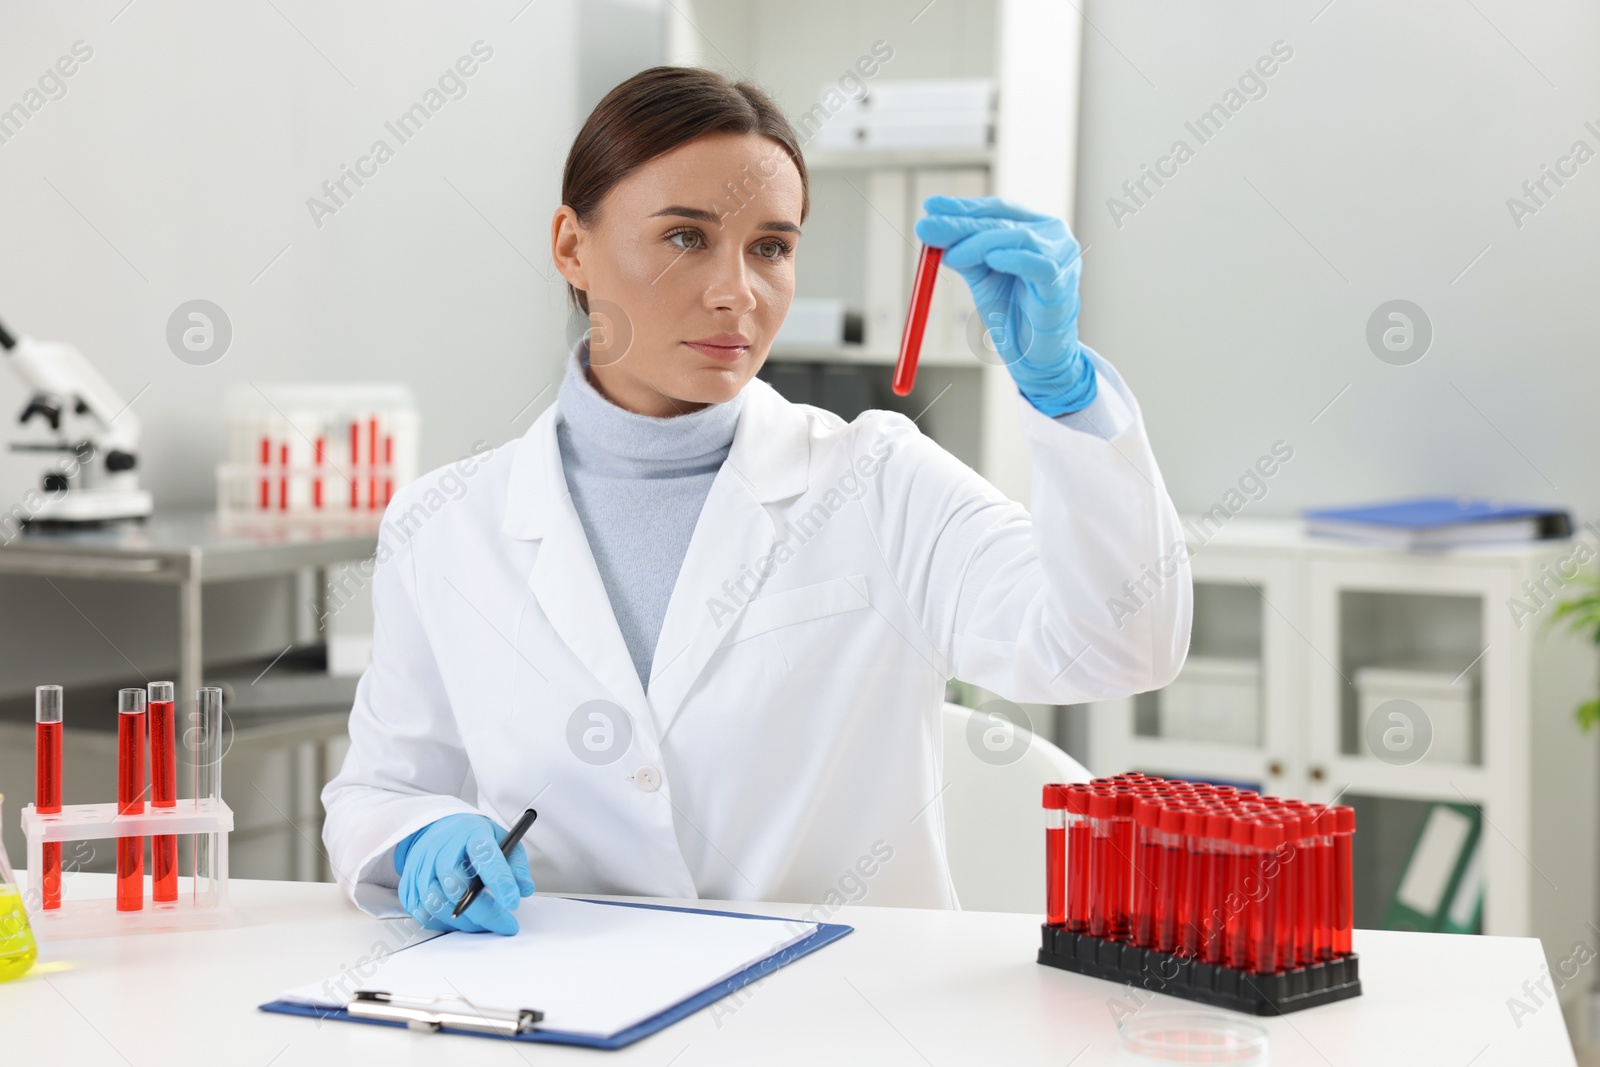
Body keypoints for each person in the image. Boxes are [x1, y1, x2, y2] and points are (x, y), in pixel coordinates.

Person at [321, 66, 1191, 935]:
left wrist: (1068, 395)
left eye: (771, 246)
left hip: (838, 1013)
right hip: (559, 1004)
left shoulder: (878, 479)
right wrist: (419, 833)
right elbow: (381, 789)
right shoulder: (446, 523)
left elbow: (1119, 644)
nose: (736, 289)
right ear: (571, 246)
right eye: (685, 237)